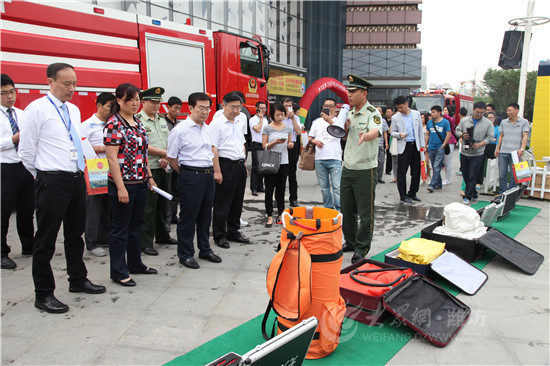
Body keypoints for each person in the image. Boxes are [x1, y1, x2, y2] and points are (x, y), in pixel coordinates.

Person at [19, 63, 106, 313]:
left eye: (75, 83)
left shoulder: (74, 110)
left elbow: (75, 141)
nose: (72, 88)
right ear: (50, 82)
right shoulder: (36, 109)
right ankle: (43, 293)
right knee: (45, 238)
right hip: (51, 179)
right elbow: (26, 151)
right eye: (66, 83)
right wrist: (44, 176)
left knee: (75, 234)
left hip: (76, 177)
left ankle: (77, 279)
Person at [104, 83, 158, 287]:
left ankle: (135, 263)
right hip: (123, 184)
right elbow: (110, 157)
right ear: (119, 101)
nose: (135, 103)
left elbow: (143, 154)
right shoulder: (113, 124)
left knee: (137, 225)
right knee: (120, 228)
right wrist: (120, 187)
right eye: (130, 99)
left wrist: (150, 177)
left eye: (137, 99)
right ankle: (118, 271)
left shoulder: (138, 123)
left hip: (140, 181)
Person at [166, 92, 222, 269]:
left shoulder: (208, 128)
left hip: (208, 176)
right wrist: (185, 173)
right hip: (191, 176)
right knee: (188, 216)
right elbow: (171, 157)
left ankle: (205, 249)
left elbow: (211, 151)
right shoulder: (180, 130)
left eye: (208, 108)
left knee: (206, 215)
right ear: (190, 108)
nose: (205, 112)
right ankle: (185, 253)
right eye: (201, 108)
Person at [340, 74, 382, 263]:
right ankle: (350, 241)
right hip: (348, 167)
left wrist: (366, 136)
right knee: (347, 210)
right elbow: (345, 137)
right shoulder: (349, 113)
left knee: (366, 212)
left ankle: (362, 247)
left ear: (364, 93)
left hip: (365, 169)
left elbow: (376, 131)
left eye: (353, 91)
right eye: (348, 91)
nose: (349, 95)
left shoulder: (373, 113)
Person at [136, 87, 177, 256]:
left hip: (163, 166)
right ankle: (146, 242)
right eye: (152, 102)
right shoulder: (138, 121)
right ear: (143, 102)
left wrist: (167, 157)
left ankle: (162, 235)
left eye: (158, 102)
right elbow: (143, 146)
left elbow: (168, 140)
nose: (156, 105)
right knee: (148, 207)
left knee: (163, 204)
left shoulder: (161, 120)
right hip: (149, 168)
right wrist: (164, 154)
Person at [1, 74, 34, 270]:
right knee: (3, 212)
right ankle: (2, 252)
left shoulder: (22, 114)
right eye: (4, 93)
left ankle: (29, 245)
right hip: (4, 168)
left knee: (27, 210)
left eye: (12, 91)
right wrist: (14, 139)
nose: (9, 97)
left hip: (24, 166)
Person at [211, 92, 250, 249]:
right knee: (223, 203)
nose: (235, 110)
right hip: (225, 166)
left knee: (237, 202)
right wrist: (217, 170)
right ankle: (219, 235)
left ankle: (233, 231)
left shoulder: (238, 122)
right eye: (232, 107)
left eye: (238, 107)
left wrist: (244, 165)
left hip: (239, 165)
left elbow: (241, 145)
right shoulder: (217, 124)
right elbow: (213, 148)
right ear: (223, 106)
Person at [80, 92, 116, 257]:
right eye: (109, 106)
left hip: (112, 167)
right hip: (96, 166)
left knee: (108, 205)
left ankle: (105, 237)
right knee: (94, 206)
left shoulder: (113, 123)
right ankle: (92, 242)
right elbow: (80, 145)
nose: (111, 110)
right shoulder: (88, 124)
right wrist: (103, 148)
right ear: (99, 105)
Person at [455, 101, 494, 205]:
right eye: (477, 112)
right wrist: (462, 135)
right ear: (473, 110)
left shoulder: (487, 123)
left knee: (473, 175)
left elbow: (490, 137)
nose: (479, 114)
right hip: (465, 151)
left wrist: (480, 144)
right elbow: (457, 131)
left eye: (482, 113)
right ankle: (474, 192)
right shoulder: (464, 121)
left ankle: (467, 196)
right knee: (466, 175)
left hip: (478, 153)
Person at [308, 98, 342, 211]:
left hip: (335, 158)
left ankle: (339, 209)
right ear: (322, 107)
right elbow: (309, 137)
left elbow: (343, 135)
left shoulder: (339, 121)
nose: (328, 108)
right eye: (326, 106)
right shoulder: (316, 122)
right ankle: (328, 208)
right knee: (324, 188)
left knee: (337, 187)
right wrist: (315, 141)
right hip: (320, 159)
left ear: (335, 108)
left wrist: (330, 121)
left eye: (331, 106)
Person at [262, 103, 293, 227]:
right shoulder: (267, 128)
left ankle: (281, 214)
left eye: (282, 114)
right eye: (277, 115)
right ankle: (269, 215)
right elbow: (264, 146)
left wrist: (290, 145)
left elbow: (290, 143)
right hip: (270, 161)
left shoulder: (287, 128)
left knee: (281, 190)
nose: (280, 117)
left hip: (284, 162)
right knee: (269, 190)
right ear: (272, 115)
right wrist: (275, 142)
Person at [390, 95, 425, 203]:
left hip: (415, 146)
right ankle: (403, 195)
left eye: (401, 107)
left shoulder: (416, 114)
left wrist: (422, 146)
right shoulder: (395, 117)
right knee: (401, 172)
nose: (400, 110)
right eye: (398, 108)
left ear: (406, 104)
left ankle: (413, 193)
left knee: (416, 172)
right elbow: (392, 132)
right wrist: (399, 135)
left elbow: (419, 131)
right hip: (403, 147)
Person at [495, 103, 529, 195]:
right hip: (503, 151)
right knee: (502, 175)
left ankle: (510, 194)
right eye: (507, 110)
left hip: (515, 153)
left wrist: (522, 149)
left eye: (510, 110)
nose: (508, 112)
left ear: (516, 110)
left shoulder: (524, 122)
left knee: (515, 176)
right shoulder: (504, 122)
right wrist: (497, 148)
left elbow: (525, 136)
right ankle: (502, 194)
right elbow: (501, 136)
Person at [163, 96, 182, 226]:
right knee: (168, 191)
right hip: (166, 159)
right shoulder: (162, 122)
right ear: (168, 107)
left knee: (176, 189)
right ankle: (167, 220)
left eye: (179, 109)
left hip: (177, 160)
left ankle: (174, 215)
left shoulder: (179, 123)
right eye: (175, 108)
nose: (177, 111)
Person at [425, 106, 451, 193]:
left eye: (434, 112)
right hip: (431, 147)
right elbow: (427, 134)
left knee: (436, 166)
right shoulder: (429, 123)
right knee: (434, 166)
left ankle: (432, 184)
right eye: (431, 112)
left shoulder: (445, 122)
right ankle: (439, 183)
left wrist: (443, 145)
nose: (432, 114)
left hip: (440, 147)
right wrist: (426, 145)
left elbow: (448, 134)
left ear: (439, 112)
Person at [282, 97, 302, 207]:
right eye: (286, 106)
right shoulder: (279, 117)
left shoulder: (296, 118)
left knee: (292, 175)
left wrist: (293, 118)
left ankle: (293, 199)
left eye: (290, 106)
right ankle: (278, 198)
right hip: (280, 147)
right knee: (280, 175)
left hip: (292, 147)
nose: (287, 108)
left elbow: (298, 132)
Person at [249, 101, 267, 196]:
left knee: (262, 167)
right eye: (262, 108)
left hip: (264, 144)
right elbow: (257, 129)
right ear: (257, 108)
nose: (263, 110)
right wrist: (260, 119)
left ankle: (260, 186)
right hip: (256, 144)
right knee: (256, 167)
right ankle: (254, 187)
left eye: (265, 108)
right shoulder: (253, 119)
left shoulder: (266, 120)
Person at [441, 106, 457, 185]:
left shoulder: (451, 119)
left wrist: (443, 115)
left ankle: (448, 179)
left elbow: (450, 122)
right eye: (443, 110)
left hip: (450, 141)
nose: (444, 112)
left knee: (447, 161)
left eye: (446, 110)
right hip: (442, 141)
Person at [375, 106, 389, 184]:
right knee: (373, 161)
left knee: (381, 161)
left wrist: (386, 143)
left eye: (380, 110)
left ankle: (379, 177)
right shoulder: (371, 119)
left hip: (380, 144)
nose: (378, 111)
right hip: (372, 144)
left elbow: (385, 132)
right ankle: (373, 177)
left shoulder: (383, 121)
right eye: (377, 110)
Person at [420, 112, 431, 186]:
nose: (421, 119)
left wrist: (426, 145)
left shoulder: (427, 126)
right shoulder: (419, 127)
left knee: (426, 162)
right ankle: (422, 178)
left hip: (426, 146)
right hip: (420, 147)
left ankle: (429, 176)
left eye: (423, 117)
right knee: (421, 163)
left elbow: (428, 136)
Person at [385, 107, 394, 176]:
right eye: (387, 112)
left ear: (392, 113)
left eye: (389, 112)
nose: (388, 113)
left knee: (389, 155)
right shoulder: (384, 120)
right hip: (384, 138)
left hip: (391, 138)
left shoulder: (393, 120)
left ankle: (388, 169)